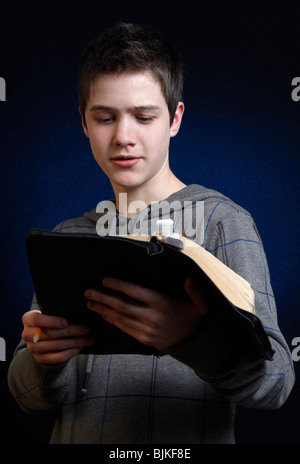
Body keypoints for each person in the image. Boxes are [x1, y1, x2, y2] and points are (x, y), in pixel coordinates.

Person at [8, 22, 294, 444]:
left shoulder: (222, 222)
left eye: (144, 117)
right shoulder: (67, 238)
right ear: (84, 123)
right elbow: (27, 396)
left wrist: (194, 340)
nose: (123, 137)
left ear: (175, 118)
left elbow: (277, 381)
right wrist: (43, 359)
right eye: (104, 117)